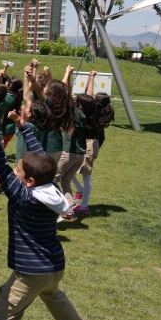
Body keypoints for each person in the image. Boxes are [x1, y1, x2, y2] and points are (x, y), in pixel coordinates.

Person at [0, 105, 97, 320]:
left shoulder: (23, 196)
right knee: (56, 300)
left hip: (32, 271)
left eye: (18, 171)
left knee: (1, 316)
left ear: (30, 181)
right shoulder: (51, 188)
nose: (14, 172)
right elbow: (42, 158)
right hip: (53, 267)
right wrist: (23, 126)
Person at [55, 66, 98, 222]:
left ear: (79, 105)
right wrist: (91, 77)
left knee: (53, 180)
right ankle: (70, 210)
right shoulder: (89, 114)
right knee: (65, 180)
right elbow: (90, 97)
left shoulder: (76, 113)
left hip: (68, 153)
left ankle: (59, 209)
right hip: (80, 155)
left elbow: (66, 94)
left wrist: (68, 73)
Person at [72, 90, 114, 215]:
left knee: (86, 175)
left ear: (96, 102)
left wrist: (91, 78)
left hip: (90, 145)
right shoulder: (101, 112)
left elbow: (88, 96)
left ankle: (84, 206)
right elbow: (102, 138)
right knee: (69, 168)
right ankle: (80, 190)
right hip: (93, 145)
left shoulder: (94, 112)